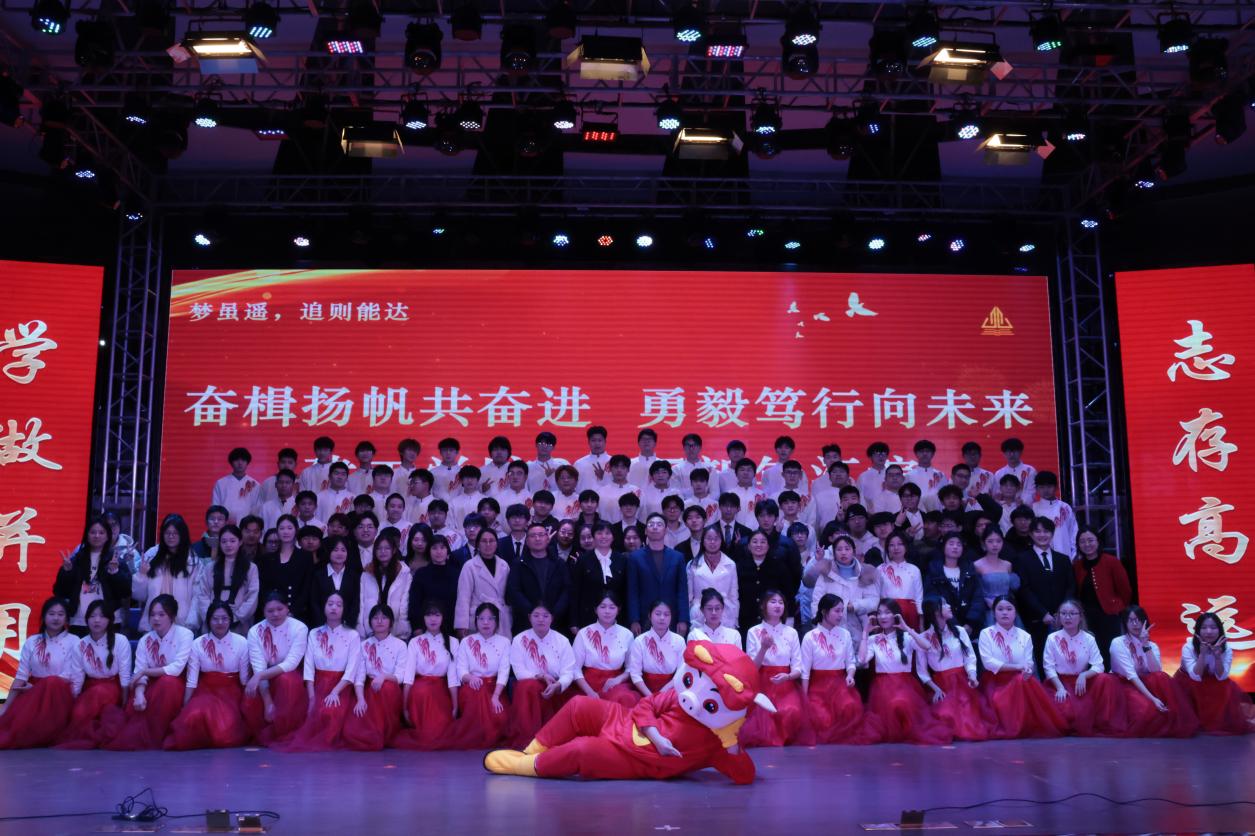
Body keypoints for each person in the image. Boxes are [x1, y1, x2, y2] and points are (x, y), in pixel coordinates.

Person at [103, 594, 195, 750]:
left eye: (161, 614)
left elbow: (176, 669)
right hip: (150, 686)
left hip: (175, 685)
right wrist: (139, 694)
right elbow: (139, 672)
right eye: (152, 615)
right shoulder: (145, 640)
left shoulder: (185, 634)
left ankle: (159, 733)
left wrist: (145, 671)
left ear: (172, 616)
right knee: (135, 711)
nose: (156, 619)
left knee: (167, 683)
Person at [273, 591, 360, 752]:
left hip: (341, 686)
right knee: (308, 712)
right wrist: (312, 696)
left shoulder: (352, 635)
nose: (334, 608)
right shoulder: (314, 633)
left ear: (344, 609)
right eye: (330, 604)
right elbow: (308, 667)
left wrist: (335, 692)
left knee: (330, 713)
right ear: (324, 607)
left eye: (339, 605)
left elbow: (351, 669)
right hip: (317, 684)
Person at [858, 598, 953, 745]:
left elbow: (927, 646)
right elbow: (862, 659)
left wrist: (907, 628)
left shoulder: (907, 637)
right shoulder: (873, 639)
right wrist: (865, 633)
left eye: (887, 613)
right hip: (882, 686)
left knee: (901, 702)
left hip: (905, 684)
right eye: (880, 613)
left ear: (896, 615)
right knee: (892, 705)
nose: (882, 617)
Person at [978, 596, 1067, 739]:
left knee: (1023, 680)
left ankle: (1025, 725)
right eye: (1000, 609)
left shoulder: (1025, 636)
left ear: (1015, 612)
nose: (1005, 612)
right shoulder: (986, 633)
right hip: (995, 682)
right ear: (994, 613)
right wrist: (1018, 667)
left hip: (1019, 679)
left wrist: (1027, 670)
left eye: (1009, 609)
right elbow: (988, 663)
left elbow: (1029, 662)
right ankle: (1012, 725)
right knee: (1020, 682)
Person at [165, 600, 250, 749]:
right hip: (206, 690)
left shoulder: (242, 642)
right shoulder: (198, 644)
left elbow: (244, 680)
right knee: (194, 715)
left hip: (231, 691)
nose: (220, 623)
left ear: (231, 620)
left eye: (224, 618)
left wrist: (245, 706)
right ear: (209, 620)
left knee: (223, 733)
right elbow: (192, 681)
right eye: (215, 619)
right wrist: (185, 706)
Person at [1109, 606, 1199, 738]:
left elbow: (1156, 671)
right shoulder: (1118, 643)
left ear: (1145, 621)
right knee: (1146, 711)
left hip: (1144, 682)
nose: (1135, 624)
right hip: (1124, 684)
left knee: (1161, 677)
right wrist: (1153, 698)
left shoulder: (1152, 645)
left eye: (1138, 619)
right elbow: (1131, 675)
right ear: (1125, 623)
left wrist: (1146, 645)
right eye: (1131, 620)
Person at [0, 597, 77, 749]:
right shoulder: (32, 641)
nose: (56, 618)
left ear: (67, 618)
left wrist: (37, 688)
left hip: (60, 694)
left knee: (52, 682)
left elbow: (68, 676)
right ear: (43, 616)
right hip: (33, 692)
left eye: (61, 614)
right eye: (51, 614)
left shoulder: (74, 641)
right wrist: (5, 707)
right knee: (15, 728)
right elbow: (21, 676)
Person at [1042, 599, 1125, 737]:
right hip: (1060, 683)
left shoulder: (1088, 638)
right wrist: (1060, 688)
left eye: (1072, 613)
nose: (1067, 617)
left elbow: (1099, 665)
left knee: (1106, 679)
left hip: (1083, 684)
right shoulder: (1052, 638)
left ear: (1080, 616)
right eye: (1064, 613)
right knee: (1064, 713)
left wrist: (1084, 675)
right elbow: (1048, 667)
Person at [56, 599, 131, 749]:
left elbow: (124, 675)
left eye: (102, 616)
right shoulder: (80, 644)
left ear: (109, 620)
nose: (97, 620)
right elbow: (77, 678)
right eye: (92, 616)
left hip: (113, 686)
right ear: (86, 620)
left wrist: (124, 703)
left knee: (98, 695)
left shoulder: (120, 641)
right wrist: (74, 699)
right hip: (90, 687)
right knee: (79, 712)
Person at [801, 593, 875, 745]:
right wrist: (804, 698)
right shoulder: (810, 636)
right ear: (824, 611)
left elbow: (851, 662)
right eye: (837, 611)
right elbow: (805, 672)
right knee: (821, 718)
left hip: (840, 685)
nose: (841, 615)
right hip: (818, 687)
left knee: (849, 707)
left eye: (842, 611)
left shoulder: (845, 634)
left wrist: (850, 675)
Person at [917, 598, 994, 741]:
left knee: (969, 723)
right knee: (944, 715)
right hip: (940, 685)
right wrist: (936, 689)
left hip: (962, 682)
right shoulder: (924, 638)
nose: (949, 606)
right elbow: (922, 671)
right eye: (944, 604)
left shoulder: (959, 631)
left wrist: (972, 675)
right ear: (935, 611)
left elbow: (969, 657)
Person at [741, 590, 809, 747]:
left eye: (781, 602)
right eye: (773, 602)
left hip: (785, 683)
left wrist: (788, 676)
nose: (778, 605)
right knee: (762, 719)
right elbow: (752, 668)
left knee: (791, 711)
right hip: (762, 683)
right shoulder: (754, 632)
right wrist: (763, 648)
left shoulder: (791, 633)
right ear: (763, 606)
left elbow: (798, 667)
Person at [242, 592, 310, 747]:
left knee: (287, 682)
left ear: (287, 608)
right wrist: (268, 702)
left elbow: (291, 664)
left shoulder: (299, 628)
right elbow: (259, 667)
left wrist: (259, 676)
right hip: (265, 677)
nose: (275, 614)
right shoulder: (255, 631)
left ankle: (286, 731)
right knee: (249, 698)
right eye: (270, 611)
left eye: (280, 609)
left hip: (288, 675)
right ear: (263, 612)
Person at [1014, 517, 1077, 675]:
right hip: (1035, 620)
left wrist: (1061, 612)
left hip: (1063, 620)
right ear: (1030, 534)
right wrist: (1043, 613)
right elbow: (1023, 590)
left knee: (1064, 660)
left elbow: (1071, 587)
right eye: (1038, 531)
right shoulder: (1021, 559)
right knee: (1041, 660)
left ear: (1052, 533)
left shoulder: (1063, 559)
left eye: (1046, 531)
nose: (1042, 535)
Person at [508, 602, 576, 747]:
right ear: (529, 617)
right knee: (527, 686)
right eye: (536, 615)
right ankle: (528, 738)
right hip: (530, 689)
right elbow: (519, 672)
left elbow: (568, 671)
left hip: (556, 689)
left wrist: (558, 685)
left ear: (552, 618)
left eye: (545, 616)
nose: (541, 619)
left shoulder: (562, 641)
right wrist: (541, 676)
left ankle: (550, 737)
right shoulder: (519, 639)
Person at [1175, 612, 1254, 735]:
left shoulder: (1226, 649)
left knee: (1226, 686)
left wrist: (1217, 657)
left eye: (1213, 627)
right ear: (1197, 630)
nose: (1209, 631)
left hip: (1213, 681)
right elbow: (1195, 677)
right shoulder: (1189, 647)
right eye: (1204, 627)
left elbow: (1222, 677)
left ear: (1220, 630)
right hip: (1189, 681)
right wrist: (1202, 654)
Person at [395, 602, 461, 750]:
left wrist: (455, 706)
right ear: (423, 618)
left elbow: (453, 678)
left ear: (443, 617)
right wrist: (404, 708)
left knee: (441, 730)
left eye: (437, 615)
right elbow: (408, 677)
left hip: (441, 689)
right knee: (423, 692)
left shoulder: (453, 642)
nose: (433, 619)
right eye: (429, 615)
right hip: (419, 690)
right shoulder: (415, 642)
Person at [343, 604, 407, 750]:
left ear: (391, 622)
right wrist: (360, 699)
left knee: (387, 689)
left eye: (384, 618)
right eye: (375, 618)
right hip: (370, 689)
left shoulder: (400, 645)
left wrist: (383, 677)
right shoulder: (363, 645)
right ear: (370, 622)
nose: (379, 621)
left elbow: (400, 676)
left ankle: (387, 732)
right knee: (353, 732)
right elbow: (359, 676)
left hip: (390, 689)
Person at [448, 603, 511, 748]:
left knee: (501, 718)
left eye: (490, 618)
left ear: (496, 621)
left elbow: (504, 671)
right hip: (472, 688)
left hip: (495, 689)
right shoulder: (466, 641)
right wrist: (470, 678)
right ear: (476, 621)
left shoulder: (505, 642)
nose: (486, 622)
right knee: (477, 701)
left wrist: (496, 696)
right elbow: (461, 670)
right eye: (481, 618)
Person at [54, 516, 130, 635]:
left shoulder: (116, 560)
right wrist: (67, 571)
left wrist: (115, 572)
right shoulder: (76, 559)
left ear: (108, 536)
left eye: (101, 532)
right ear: (87, 535)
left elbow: (125, 592)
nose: (97, 536)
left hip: (109, 620)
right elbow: (60, 591)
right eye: (93, 532)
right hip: (79, 620)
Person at [803, 535, 879, 646]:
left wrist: (855, 605)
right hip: (829, 626)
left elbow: (873, 600)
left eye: (847, 549)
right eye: (839, 549)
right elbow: (817, 601)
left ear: (853, 551)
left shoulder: (864, 572)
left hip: (857, 626)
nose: (843, 553)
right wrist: (818, 624)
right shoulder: (826, 572)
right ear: (834, 553)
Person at [1073, 526, 1131, 662]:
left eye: (1090, 540)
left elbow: (1125, 590)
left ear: (1098, 541)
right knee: (1090, 652)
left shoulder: (1111, 561)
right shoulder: (1077, 566)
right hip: (1086, 617)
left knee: (1110, 651)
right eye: (1082, 541)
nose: (1087, 544)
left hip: (1109, 615)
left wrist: (1118, 608)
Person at [134, 514, 200, 633]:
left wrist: (191, 622)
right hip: (153, 624)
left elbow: (197, 595)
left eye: (175, 533)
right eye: (167, 533)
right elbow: (140, 596)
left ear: (182, 534)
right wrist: (142, 575)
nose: (171, 536)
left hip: (182, 624)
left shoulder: (192, 561)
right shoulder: (152, 557)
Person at [572, 592, 638, 707]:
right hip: (587, 684)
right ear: (595, 610)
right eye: (602, 607)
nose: (607, 611)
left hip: (614, 684)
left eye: (612, 607)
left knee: (625, 698)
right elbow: (575, 668)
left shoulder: (627, 635)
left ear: (618, 610)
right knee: (581, 704)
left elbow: (631, 668)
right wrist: (590, 692)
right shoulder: (583, 633)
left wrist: (618, 680)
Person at [193, 523, 259, 635]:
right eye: (224, 541)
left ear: (240, 542)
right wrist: (212, 617)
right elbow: (202, 595)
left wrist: (236, 617)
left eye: (232, 541)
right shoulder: (210, 567)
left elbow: (252, 596)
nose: (228, 545)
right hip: (212, 624)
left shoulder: (251, 568)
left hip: (239, 624)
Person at [506, 522, 571, 635]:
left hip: (555, 621)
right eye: (533, 535)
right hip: (525, 621)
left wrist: (553, 613)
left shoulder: (559, 563)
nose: (537, 538)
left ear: (547, 539)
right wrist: (533, 613)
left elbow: (567, 590)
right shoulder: (518, 564)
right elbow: (514, 591)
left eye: (541, 535)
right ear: (527, 541)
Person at [569, 521, 628, 634]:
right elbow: (575, 592)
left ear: (613, 537)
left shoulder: (622, 560)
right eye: (599, 533)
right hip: (588, 616)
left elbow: (626, 592)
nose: (603, 536)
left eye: (607, 533)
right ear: (593, 536)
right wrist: (574, 621)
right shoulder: (583, 560)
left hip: (617, 617)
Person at [257, 514, 314, 624]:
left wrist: (292, 611)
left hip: (296, 614)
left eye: (289, 528)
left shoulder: (305, 557)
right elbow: (263, 588)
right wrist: (272, 610)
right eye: (282, 528)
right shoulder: (267, 559)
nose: (285, 532)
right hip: (272, 614)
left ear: (296, 530)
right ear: (277, 531)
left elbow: (306, 587)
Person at [455, 528, 512, 638]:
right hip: (479, 617)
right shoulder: (469, 566)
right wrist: (461, 625)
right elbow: (463, 598)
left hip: (501, 618)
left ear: (497, 544)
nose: (488, 544)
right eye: (484, 541)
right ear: (477, 544)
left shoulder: (504, 565)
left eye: (491, 541)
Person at [358, 528, 412, 640]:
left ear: (394, 550)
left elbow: (405, 604)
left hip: (396, 632)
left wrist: (403, 630)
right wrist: (361, 630)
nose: (383, 552)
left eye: (387, 548)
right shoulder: (366, 573)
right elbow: (361, 603)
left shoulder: (404, 574)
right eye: (379, 548)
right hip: (370, 632)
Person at [735, 530, 793, 635]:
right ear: (748, 546)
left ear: (768, 546)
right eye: (755, 542)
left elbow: (787, 593)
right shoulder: (739, 567)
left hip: (772, 619)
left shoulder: (779, 567)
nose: (759, 545)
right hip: (746, 619)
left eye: (763, 542)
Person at [924, 532, 983, 634]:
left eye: (959, 544)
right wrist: (952, 624)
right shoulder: (934, 569)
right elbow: (931, 597)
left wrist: (970, 623)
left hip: (969, 626)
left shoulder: (970, 569)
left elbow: (978, 597)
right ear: (943, 547)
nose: (955, 547)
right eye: (951, 543)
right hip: (942, 625)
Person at [628, 601, 686, 696]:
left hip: (670, 690)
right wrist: (650, 696)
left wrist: (661, 694)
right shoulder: (639, 641)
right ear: (650, 616)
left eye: (666, 614)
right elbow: (635, 673)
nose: (662, 618)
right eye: (658, 614)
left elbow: (681, 672)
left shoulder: (679, 641)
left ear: (671, 617)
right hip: (644, 690)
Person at [686, 526, 739, 628]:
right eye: (709, 538)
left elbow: (734, 596)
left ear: (721, 540)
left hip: (725, 613)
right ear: (703, 541)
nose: (712, 542)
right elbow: (689, 596)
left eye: (716, 538)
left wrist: (735, 620)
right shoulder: (692, 565)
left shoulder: (730, 564)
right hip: (699, 614)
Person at [409, 532, 460, 634]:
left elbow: (461, 603)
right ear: (429, 551)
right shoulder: (421, 574)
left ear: (448, 551)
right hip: (425, 628)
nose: (439, 551)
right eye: (434, 548)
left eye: (442, 548)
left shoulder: (457, 574)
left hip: (451, 628)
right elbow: (414, 603)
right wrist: (417, 627)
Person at [973, 527, 1020, 627]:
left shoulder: (1007, 565)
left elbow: (1012, 589)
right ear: (983, 543)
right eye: (990, 541)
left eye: (998, 541)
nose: (995, 545)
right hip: (988, 609)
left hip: (1007, 607)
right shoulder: (977, 565)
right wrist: (988, 601)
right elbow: (976, 590)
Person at [877, 532, 923, 630]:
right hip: (887, 613)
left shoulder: (914, 569)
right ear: (887, 548)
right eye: (892, 545)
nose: (896, 548)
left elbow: (919, 597)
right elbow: (876, 595)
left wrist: (921, 619)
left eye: (900, 544)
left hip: (910, 613)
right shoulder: (880, 569)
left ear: (906, 547)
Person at [212, 447, 261, 524]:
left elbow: (257, 508)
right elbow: (215, 506)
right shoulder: (221, 483)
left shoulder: (255, 484)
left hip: (247, 526)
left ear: (247, 463)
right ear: (231, 462)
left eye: (243, 460)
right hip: (225, 525)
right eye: (236, 460)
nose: (240, 463)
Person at [995, 437, 1038, 506]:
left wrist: (1021, 503)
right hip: (1005, 507)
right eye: (1009, 452)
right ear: (1004, 453)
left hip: (1024, 507)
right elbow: (998, 493)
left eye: (1015, 451)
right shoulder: (999, 473)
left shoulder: (1030, 470)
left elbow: (1031, 492)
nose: (1012, 454)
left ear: (1021, 452)